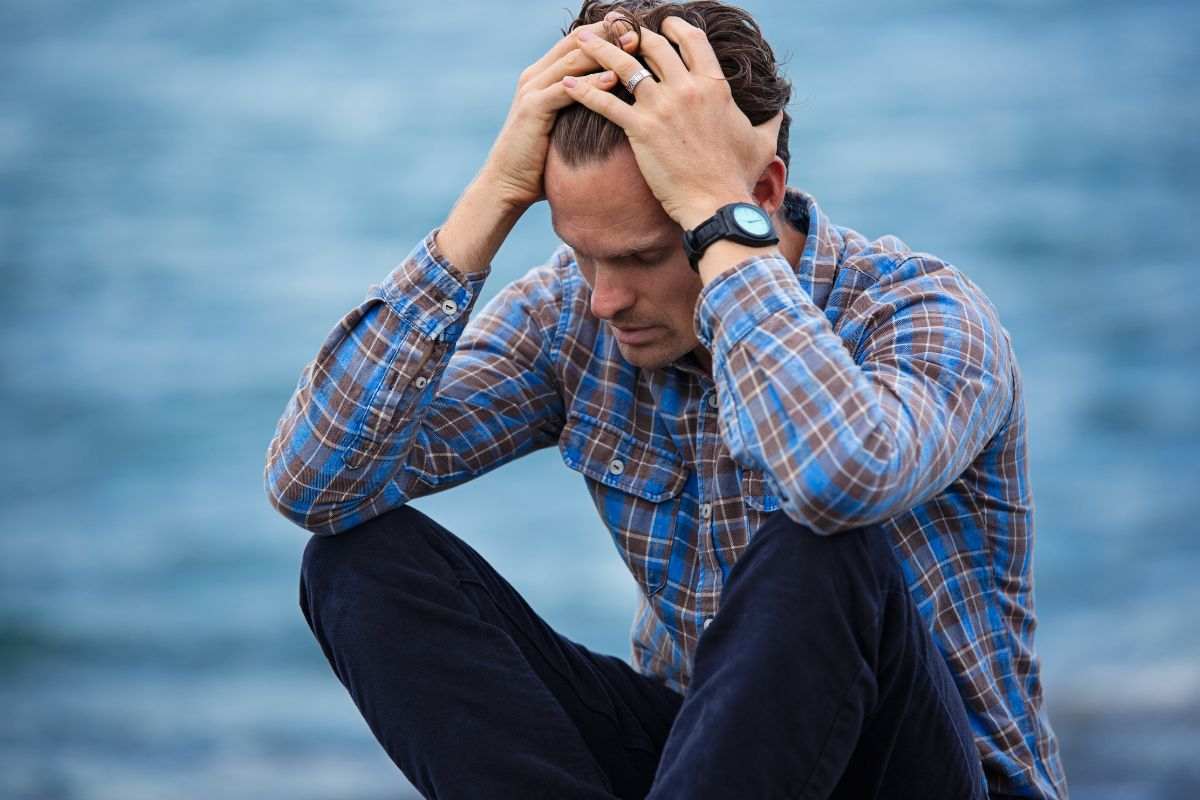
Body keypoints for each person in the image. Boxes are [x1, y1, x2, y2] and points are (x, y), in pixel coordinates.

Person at [263, 1, 1068, 797]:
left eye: (644, 256)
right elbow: (316, 484)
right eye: (582, 254)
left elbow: (835, 478)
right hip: (704, 761)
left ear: (756, 194)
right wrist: (493, 197)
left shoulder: (923, 314)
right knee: (356, 564)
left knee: (822, 541)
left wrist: (724, 229)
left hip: (927, 774)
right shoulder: (572, 316)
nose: (606, 298)